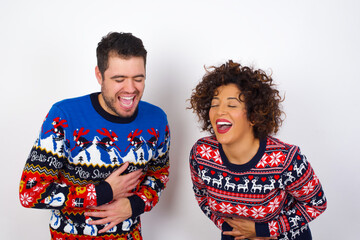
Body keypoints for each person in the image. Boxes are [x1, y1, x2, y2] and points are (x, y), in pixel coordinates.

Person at [19, 32, 170, 240]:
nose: (130, 89)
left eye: (138, 78)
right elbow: (31, 192)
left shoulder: (157, 120)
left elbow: (159, 174)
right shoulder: (64, 116)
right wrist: (103, 192)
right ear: (99, 75)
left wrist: (135, 204)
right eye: (119, 79)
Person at [188, 60, 326, 240]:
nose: (220, 111)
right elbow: (202, 197)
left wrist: (264, 230)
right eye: (214, 104)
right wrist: (231, 229)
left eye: (231, 105)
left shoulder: (286, 159)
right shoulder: (202, 154)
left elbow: (316, 204)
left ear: (253, 116)